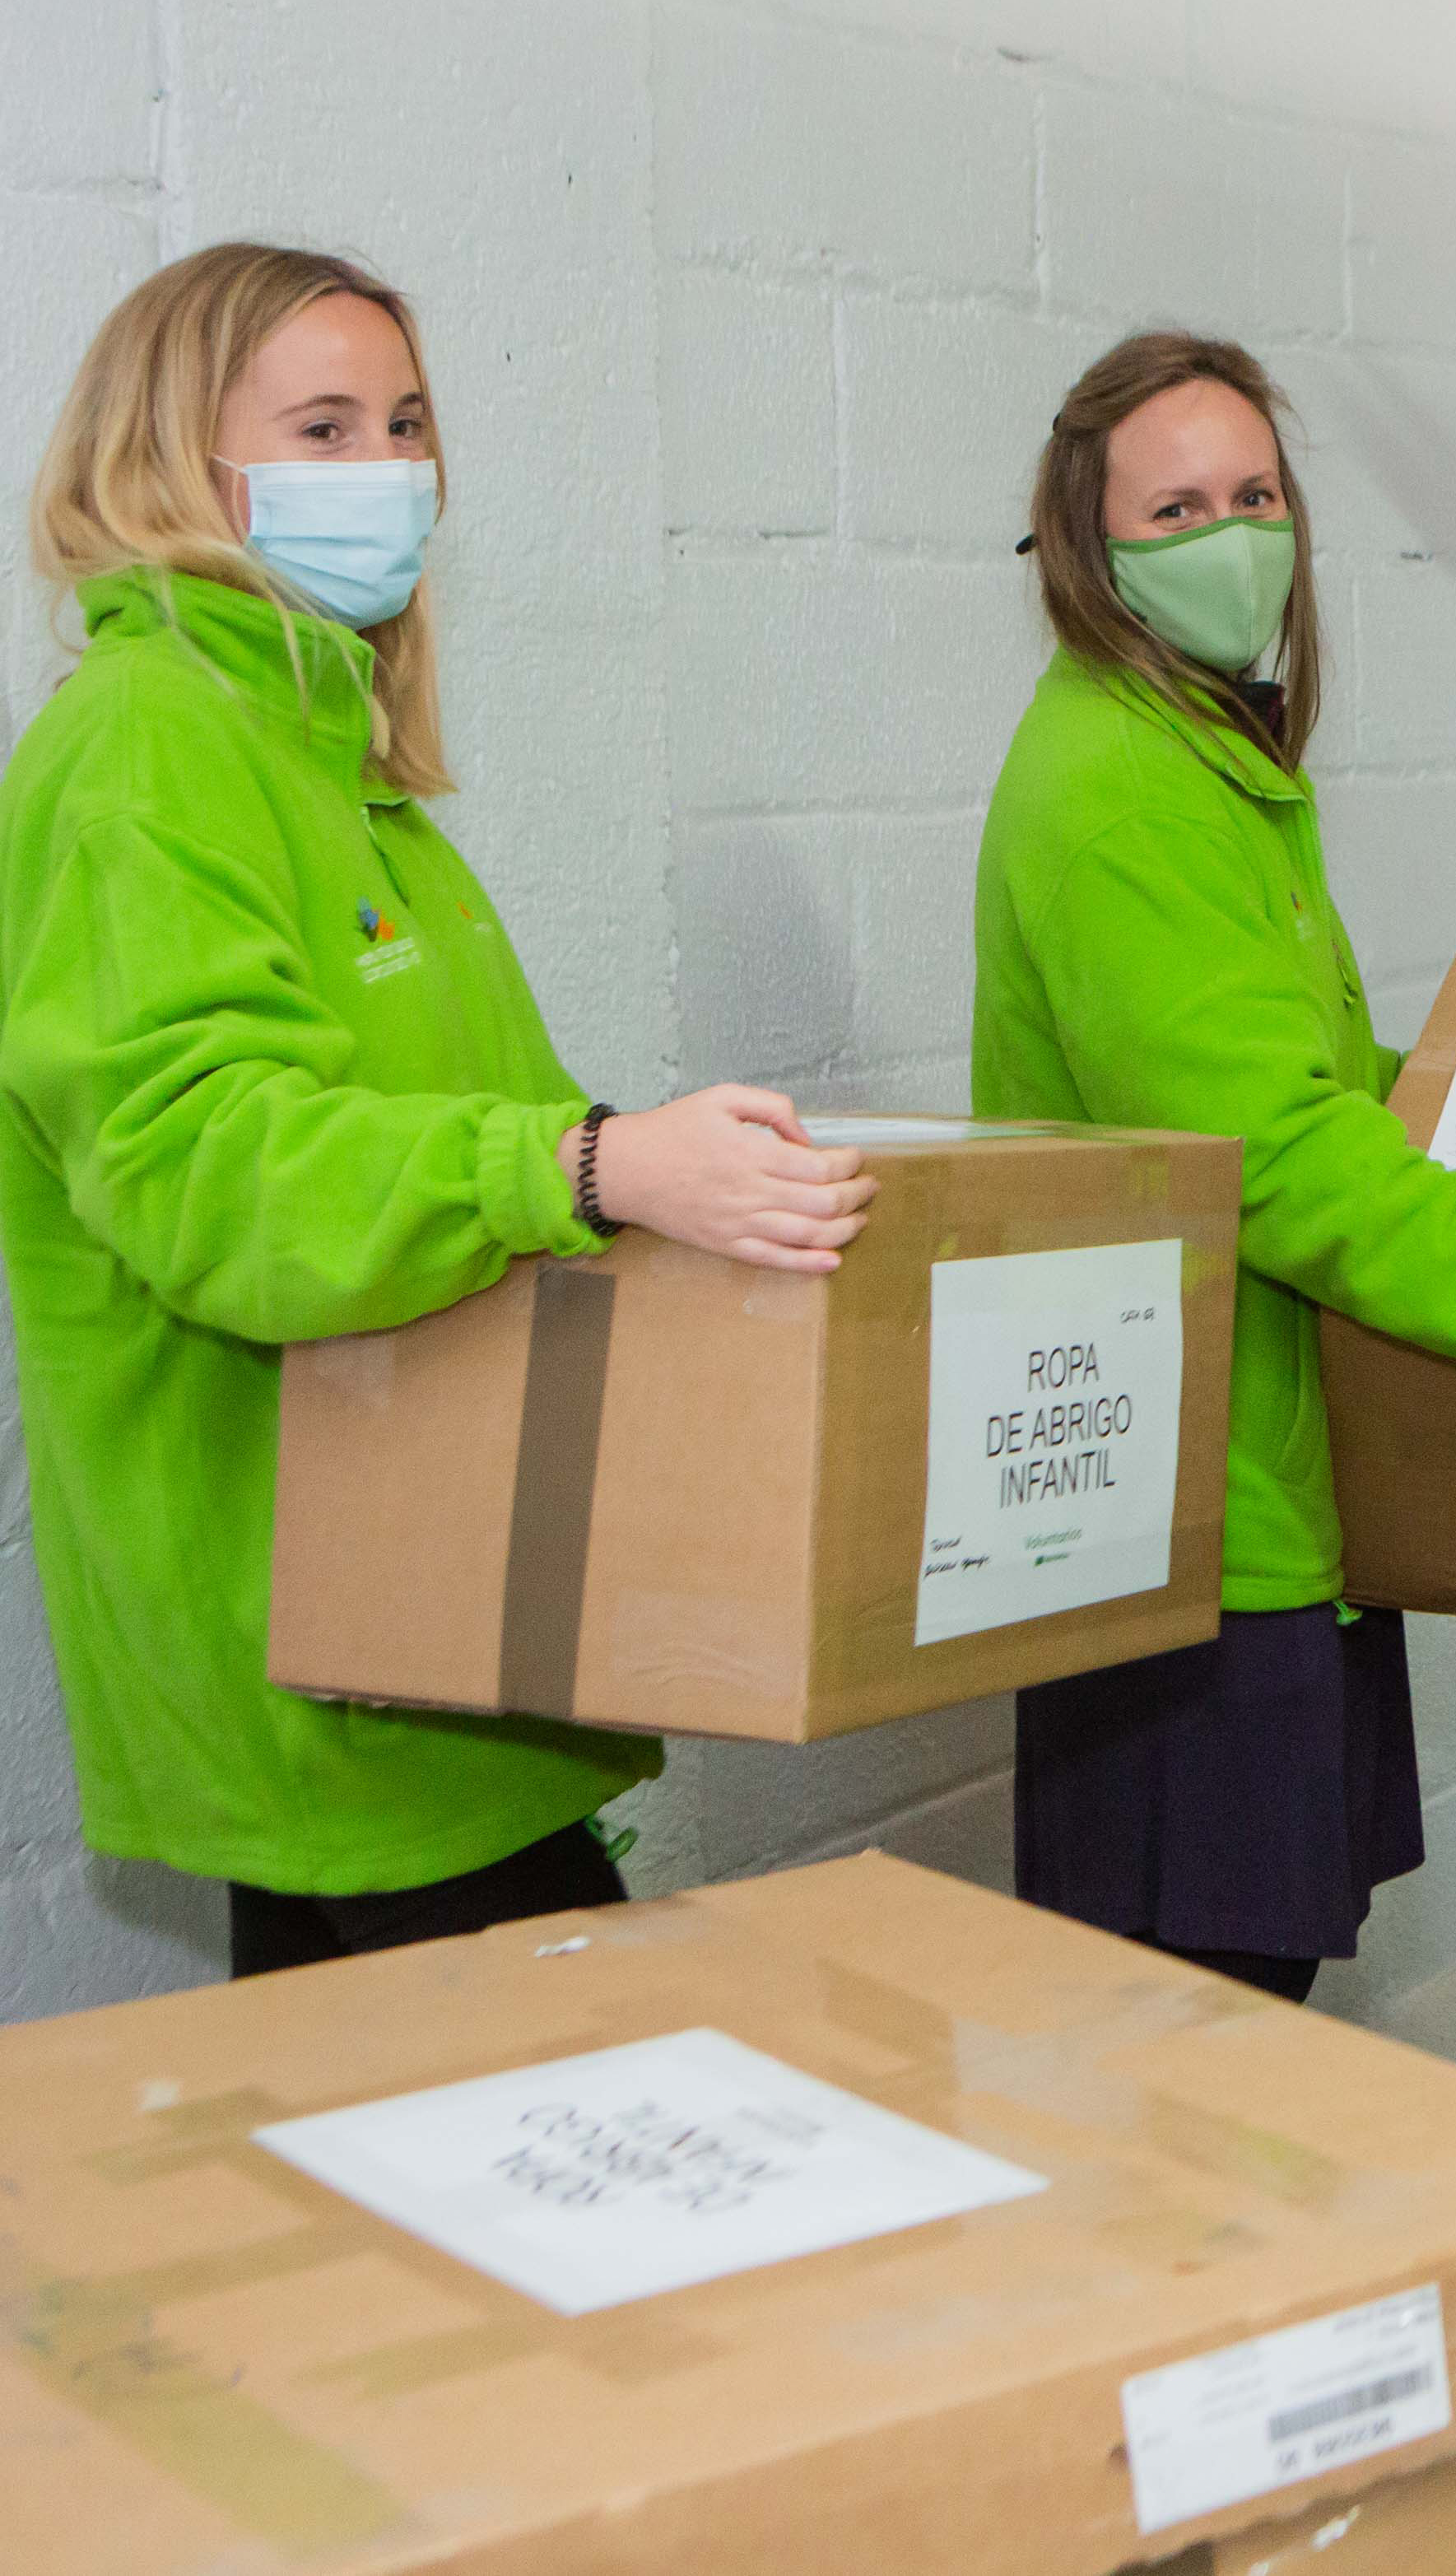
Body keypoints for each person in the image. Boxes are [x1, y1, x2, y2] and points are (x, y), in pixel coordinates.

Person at [0, 244, 880, 1974]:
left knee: (406, 2187)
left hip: (430, 1622)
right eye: (320, 427)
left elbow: (471, 1163)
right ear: (171, 457)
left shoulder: (355, 782)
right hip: (316, 1630)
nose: (385, 469)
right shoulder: (151, 744)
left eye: (404, 424)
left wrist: (642, 1175)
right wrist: (592, 1161)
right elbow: (211, 1172)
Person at [973, 333, 1456, 2007]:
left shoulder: (1212, 768)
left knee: (1234, 2058)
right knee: (1194, 2085)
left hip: (1269, 1513)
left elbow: (1311, 1092)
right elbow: (1279, 1160)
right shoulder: (1124, 796)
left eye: (1256, 494)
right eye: (1176, 508)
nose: (1232, 536)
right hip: (1195, 1552)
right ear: (1088, 550)